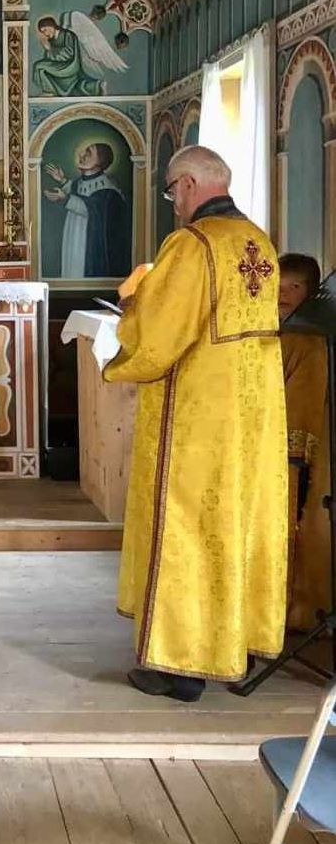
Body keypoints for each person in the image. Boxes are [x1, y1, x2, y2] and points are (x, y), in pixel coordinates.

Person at [104, 145, 288, 702]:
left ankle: (179, 666)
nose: (172, 201)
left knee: (185, 526)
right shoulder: (260, 241)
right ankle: (243, 644)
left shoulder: (191, 245)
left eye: (170, 190)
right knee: (241, 522)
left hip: (197, 419)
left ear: (186, 185)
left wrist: (133, 305)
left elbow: (159, 339)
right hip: (252, 420)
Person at [278, 253, 330, 630]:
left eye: (294, 287)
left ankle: (301, 610)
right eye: (278, 286)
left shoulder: (309, 340)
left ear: (310, 293)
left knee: (301, 530)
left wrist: (294, 456)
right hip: (269, 444)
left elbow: (304, 404)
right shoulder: (275, 330)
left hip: (296, 452)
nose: (283, 294)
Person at [43, 142, 132, 278]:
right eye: (83, 152)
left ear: (100, 162)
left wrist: (65, 198)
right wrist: (63, 181)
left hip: (89, 242)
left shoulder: (108, 189)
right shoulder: (80, 182)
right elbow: (78, 194)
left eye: (88, 153)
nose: (82, 155)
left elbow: (90, 208)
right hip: (74, 235)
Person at [32, 15, 101, 97]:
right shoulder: (52, 39)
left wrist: (50, 48)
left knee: (39, 66)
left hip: (70, 65)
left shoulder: (67, 35)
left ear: (51, 26)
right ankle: (96, 86)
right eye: (43, 32)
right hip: (61, 64)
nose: (45, 34)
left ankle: (49, 91)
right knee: (40, 66)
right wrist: (49, 49)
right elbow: (50, 57)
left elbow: (69, 53)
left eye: (45, 30)